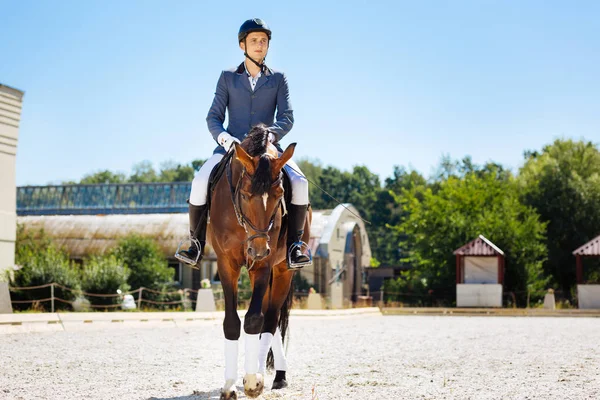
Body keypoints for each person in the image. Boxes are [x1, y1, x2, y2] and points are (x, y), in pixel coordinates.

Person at [176, 18, 310, 269]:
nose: (259, 45)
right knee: (199, 181)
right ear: (242, 45)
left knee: (301, 183)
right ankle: (194, 243)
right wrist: (226, 139)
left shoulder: (279, 79)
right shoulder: (227, 77)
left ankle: (294, 246)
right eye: (254, 41)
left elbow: (287, 117)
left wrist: (269, 136)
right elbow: (213, 117)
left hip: (268, 150)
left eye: (263, 41)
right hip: (231, 148)